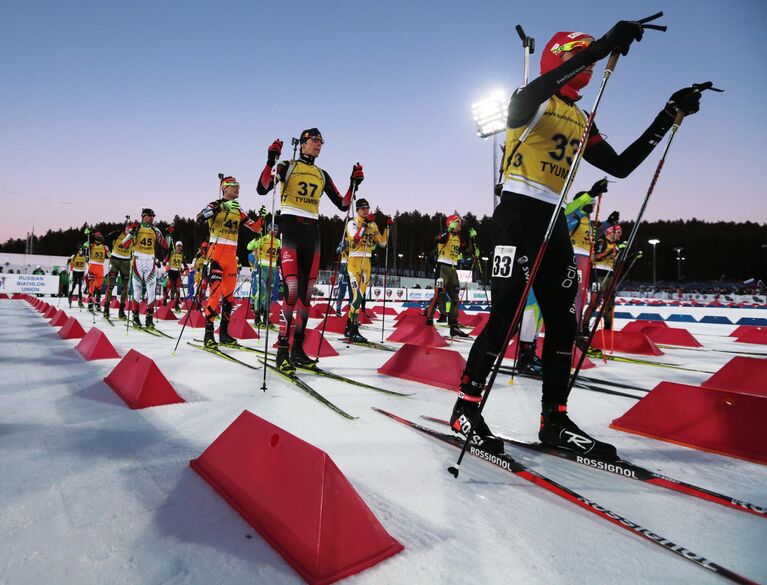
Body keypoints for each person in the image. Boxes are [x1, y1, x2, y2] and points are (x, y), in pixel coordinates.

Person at [449, 21, 709, 459]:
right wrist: (602, 46)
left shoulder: (582, 118)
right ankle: (466, 409)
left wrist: (668, 114)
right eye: (580, 54)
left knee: (564, 322)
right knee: (507, 315)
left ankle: (555, 419)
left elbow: (621, 166)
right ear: (563, 57)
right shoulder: (528, 101)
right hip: (517, 215)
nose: (586, 62)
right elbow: (539, 87)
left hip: (552, 219)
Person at [257, 129, 363, 371]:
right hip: (291, 230)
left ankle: (298, 349)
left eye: (321, 142)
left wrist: (353, 184)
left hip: (312, 234)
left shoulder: (321, 174)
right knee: (292, 291)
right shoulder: (288, 166)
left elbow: (343, 204)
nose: (318, 145)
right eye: (314, 141)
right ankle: (282, 350)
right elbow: (263, 188)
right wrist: (270, 160)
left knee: (306, 295)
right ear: (303, 143)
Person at [196, 177, 264, 347]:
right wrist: (221, 206)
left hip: (231, 256)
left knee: (229, 297)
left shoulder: (237, 209)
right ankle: (208, 335)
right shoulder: (215, 204)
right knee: (214, 295)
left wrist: (262, 218)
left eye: (239, 186)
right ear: (225, 188)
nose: (238, 189)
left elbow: (255, 229)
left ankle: (224, 333)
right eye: (234, 186)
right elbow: (199, 217)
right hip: (216, 253)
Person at [344, 198, 391, 342]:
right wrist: (365, 224)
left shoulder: (373, 225)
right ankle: (353, 329)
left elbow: (382, 243)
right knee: (356, 298)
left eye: (368, 208)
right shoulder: (353, 222)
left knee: (359, 298)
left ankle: (348, 327)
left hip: (367, 264)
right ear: (357, 209)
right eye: (363, 208)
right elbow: (356, 239)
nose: (366, 210)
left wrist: (387, 228)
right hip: (354, 263)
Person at [425, 214, 474, 337]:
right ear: (451, 223)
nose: (460, 224)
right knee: (438, 295)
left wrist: (472, 240)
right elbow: (436, 239)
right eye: (458, 222)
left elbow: (467, 252)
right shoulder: (445, 235)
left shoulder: (459, 238)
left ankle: (454, 326)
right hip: (442, 268)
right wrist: (448, 231)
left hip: (453, 270)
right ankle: (428, 322)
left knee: (455, 298)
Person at [119, 208, 168, 328]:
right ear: (143, 216)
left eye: (153, 216)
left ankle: (149, 318)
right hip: (138, 260)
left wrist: (168, 235)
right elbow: (124, 245)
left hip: (150, 260)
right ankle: (135, 317)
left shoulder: (155, 229)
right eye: (149, 216)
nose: (151, 218)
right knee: (138, 290)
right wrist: (132, 232)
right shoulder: (136, 228)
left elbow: (166, 245)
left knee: (152, 290)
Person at [246, 220, 281, 325]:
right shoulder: (263, 239)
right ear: (268, 229)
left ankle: (266, 318)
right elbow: (249, 247)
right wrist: (256, 239)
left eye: (276, 230)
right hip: (262, 268)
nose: (274, 231)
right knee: (260, 293)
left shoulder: (278, 241)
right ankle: (257, 318)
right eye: (272, 229)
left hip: (272, 269)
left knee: (269, 294)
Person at [104, 219, 134, 320]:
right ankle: (106, 309)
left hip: (126, 262)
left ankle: (121, 310)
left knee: (125, 287)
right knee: (111, 285)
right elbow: (105, 239)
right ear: (124, 229)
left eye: (130, 231)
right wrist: (108, 248)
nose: (128, 232)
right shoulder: (117, 234)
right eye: (127, 230)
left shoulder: (133, 237)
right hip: (115, 260)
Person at [86, 232, 110, 312]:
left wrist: (111, 257)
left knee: (99, 286)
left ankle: (97, 302)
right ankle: (90, 302)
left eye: (101, 236)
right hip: (92, 265)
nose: (101, 237)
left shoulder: (104, 247)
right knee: (92, 285)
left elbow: (109, 255)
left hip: (101, 266)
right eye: (99, 236)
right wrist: (87, 236)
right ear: (96, 237)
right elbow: (85, 250)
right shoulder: (91, 245)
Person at [165, 241, 188, 310]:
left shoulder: (182, 255)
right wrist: (166, 265)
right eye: (178, 246)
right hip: (171, 272)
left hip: (177, 273)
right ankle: (164, 301)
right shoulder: (171, 253)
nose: (179, 248)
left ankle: (176, 304)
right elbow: (165, 260)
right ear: (175, 246)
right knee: (168, 287)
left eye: (180, 246)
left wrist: (185, 269)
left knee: (178, 289)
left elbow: (185, 264)